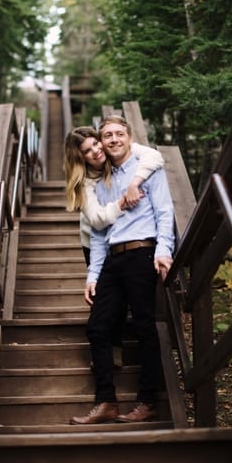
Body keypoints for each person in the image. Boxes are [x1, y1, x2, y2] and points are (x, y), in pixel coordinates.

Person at [69, 116, 175, 425]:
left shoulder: (148, 167)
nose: (113, 139)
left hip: (142, 253)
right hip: (112, 260)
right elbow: (100, 234)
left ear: (129, 137)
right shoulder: (101, 180)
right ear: (101, 142)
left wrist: (164, 249)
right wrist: (92, 276)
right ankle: (106, 402)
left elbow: (165, 211)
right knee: (98, 327)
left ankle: (147, 401)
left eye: (119, 134)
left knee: (144, 326)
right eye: (107, 135)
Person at [64, 126, 164, 367]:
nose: (97, 151)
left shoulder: (114, 150)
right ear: (80, 158)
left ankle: (116, 344)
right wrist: (122, 202)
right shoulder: (84, 182)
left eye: (96, 143)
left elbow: (155, 156)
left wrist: (135, 182)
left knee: (126, 296)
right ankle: (110, 346)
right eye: (88, 151)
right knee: (106, 297)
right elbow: (97, 220)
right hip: (95, 240)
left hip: (126, 236)